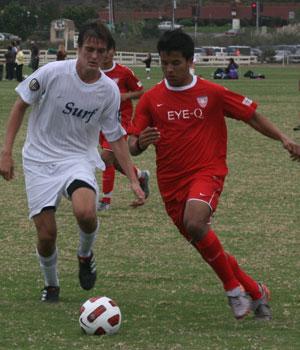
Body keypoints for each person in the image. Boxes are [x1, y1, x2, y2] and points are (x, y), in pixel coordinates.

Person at [128, 29, 300, 321]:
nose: (169, 69)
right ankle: (256, 291)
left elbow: (251, 116)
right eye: (164, 63)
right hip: (171, 185)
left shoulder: (212, 92)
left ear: (190, 61)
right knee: (203, 239)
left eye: (176, 63)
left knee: (195, 222)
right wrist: (141, 142)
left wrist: (283, 138)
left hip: (208, 172)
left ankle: (233, 290)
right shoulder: (151, 99)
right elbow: (132, 144)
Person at [0, 20, 145, 303]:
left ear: (107, 54)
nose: (94, 56)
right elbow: (20, 106)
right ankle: (51, 285)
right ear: (77, 49)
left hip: (77, 158)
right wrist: (5, 152)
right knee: (47, 234)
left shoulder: (108, 91)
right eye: (89, 49)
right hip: (39, 160)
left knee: (86, 213)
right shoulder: (52, 73)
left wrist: (132, 179)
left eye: (100, 51)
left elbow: (116, 138)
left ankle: (84, 254)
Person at [98, 38, 150, 210]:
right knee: (114, 159)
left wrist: (126, 96)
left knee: (106, 157)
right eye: (101, 50)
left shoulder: (124, 72)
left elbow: (141, 91)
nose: (104, 54)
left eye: (108, 50)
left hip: (121, 120)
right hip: (99, 120)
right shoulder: (94, 72)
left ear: (114, 51)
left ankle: (105, 201)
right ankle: (140, 176)